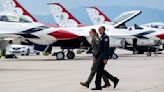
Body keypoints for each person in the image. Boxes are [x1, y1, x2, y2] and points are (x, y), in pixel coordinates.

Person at [92, 26, 119, 90]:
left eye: (100, 30)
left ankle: (98, 86)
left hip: (103, 57)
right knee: (100, 70)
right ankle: (114, 80)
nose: (99, 31)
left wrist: (105, 58)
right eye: (98, 30)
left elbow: (106, 48)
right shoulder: (101, 37)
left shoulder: (105, 37)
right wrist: (95, 57)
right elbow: (99, 49)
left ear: (103, 30)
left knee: (99, 70)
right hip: (99, 56)